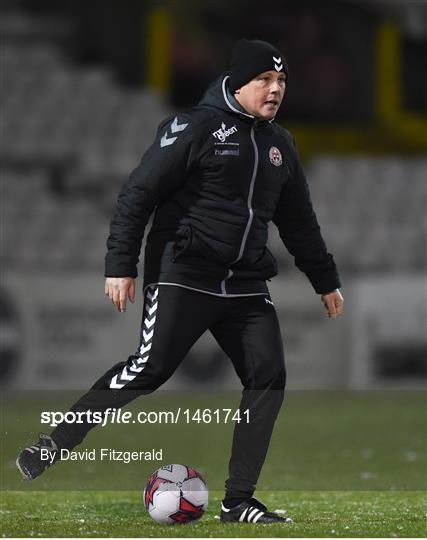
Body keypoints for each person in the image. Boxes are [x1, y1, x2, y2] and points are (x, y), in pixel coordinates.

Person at [17, 39, 343, 524]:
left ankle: (238, 502)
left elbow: (299, 224)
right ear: (238, 82)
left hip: (246, 282)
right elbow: (138, 193)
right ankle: (56, 443)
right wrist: (120, 263)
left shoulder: (282, 146)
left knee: (269, 376)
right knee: (149, 370)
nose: (275, 90)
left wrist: (325, 280)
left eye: (281, 82)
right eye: (265, 81)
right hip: (184, 273)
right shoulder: (195, 128)